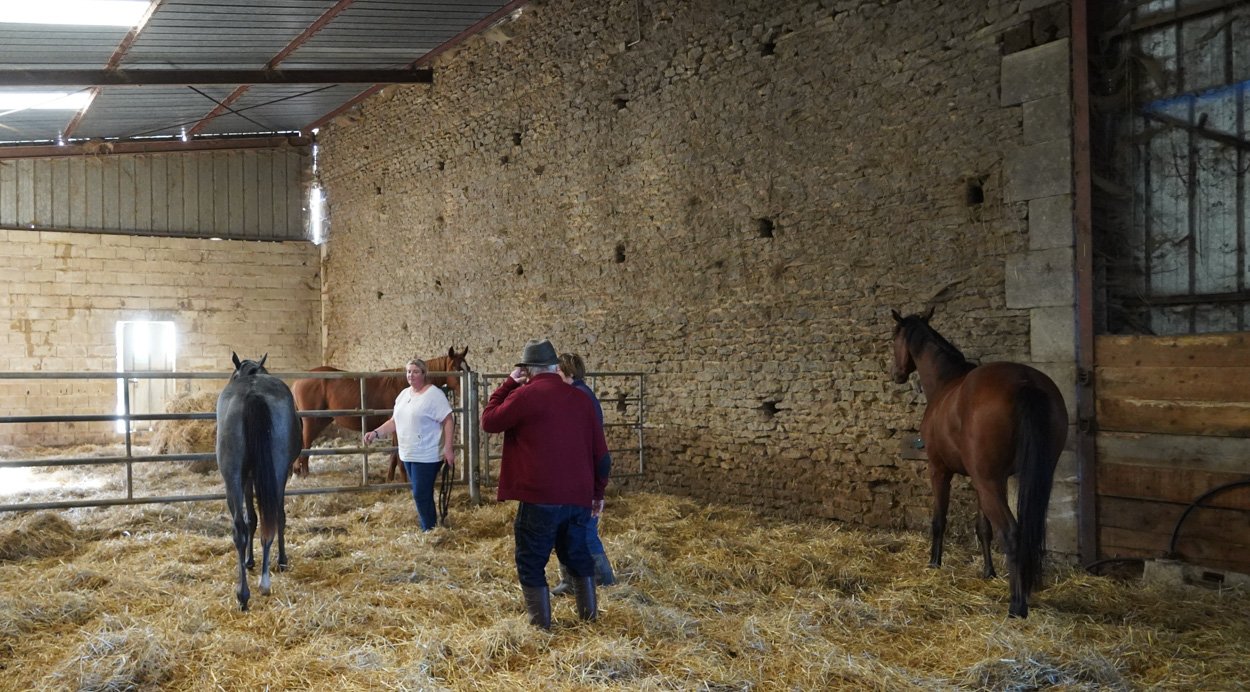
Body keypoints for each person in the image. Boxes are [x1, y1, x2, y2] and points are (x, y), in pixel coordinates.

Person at [481, 338, 609, 629]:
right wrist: (597, 492)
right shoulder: (581, 398)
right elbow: (602, 456)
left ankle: (541, 628)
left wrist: (507, 384)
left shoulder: (524, 395)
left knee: (531, 561)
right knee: (577, 556)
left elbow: (489, 421)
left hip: (540, 496)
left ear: (527, 370)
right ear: (554, 366)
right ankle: (589, 620)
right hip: (578, 497)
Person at [550, 352, 616, 596]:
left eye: (557, 371)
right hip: (577, 474)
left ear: (567, 372)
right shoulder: (578, 394)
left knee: (586, 531)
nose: (554, 376)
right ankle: (571, 581)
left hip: (583, 475)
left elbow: (594, 446)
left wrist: (597, 488)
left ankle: (606, 583)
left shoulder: (580, 397)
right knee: (566, 531)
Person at [364, 357, 455, 531]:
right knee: (422, 493)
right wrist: (376, 433)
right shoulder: (404, 395)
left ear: (424, 374)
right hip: (407, 453)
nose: (411, 375)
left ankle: (428, 530)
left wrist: (448, 448)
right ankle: (430, 526)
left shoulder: (434, 394)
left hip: (427, 454)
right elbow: (394, 421)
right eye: (408, 372)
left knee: (420, 494)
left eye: (415, 372)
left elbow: (448, 420)